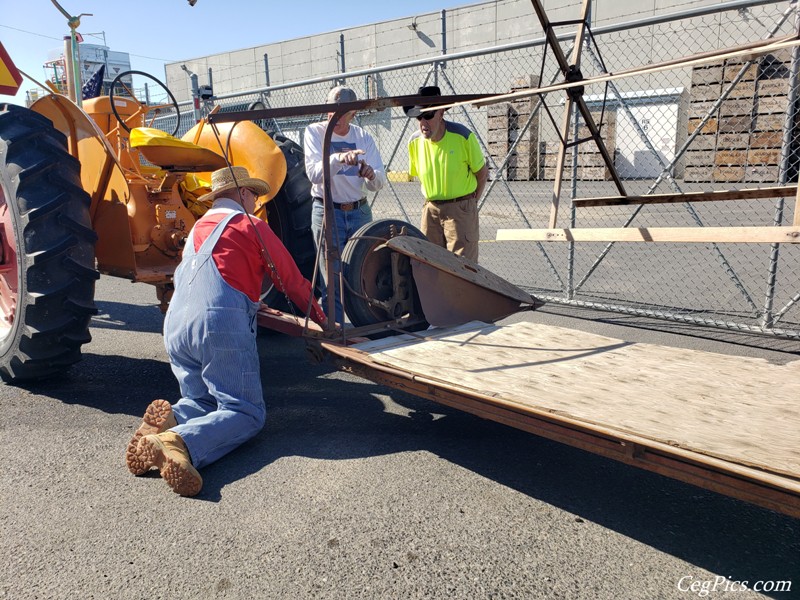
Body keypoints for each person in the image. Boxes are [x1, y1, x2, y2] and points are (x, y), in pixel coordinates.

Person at [125, 166, 326, 497]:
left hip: (175, 324)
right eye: (255, 196)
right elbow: (289, 281)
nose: (257, 202)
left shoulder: (196, 229)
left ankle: (173, 418)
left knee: (202, 399)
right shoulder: (251, 225)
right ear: (243, 194)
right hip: (217, 325)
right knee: (245, 412)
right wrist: (322, 321)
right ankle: (177, 441)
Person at [304, 85, 387, 324]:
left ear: (352, 115)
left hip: (358, 209)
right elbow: (314, 174)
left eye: (341, 114)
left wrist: (370, 174)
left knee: (364, 272)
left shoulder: (362, 137)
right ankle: (336, 330)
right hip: (328, 210)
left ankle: (367, 329)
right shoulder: (315, 133)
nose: (334, 118)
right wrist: (339, 158)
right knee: (331, 277)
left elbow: (379, 181)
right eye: (331, 112)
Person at [404, 85, 488, 262]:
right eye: (418, 117)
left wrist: (470, 203)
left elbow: (481, 173)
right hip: (431, 209)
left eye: (428, 116)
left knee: (464, 267)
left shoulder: (463, 137)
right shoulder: (414, 142)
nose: (423, 123)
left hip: (460, 208)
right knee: (430, 263)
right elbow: (421, 176)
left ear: (441, 113)